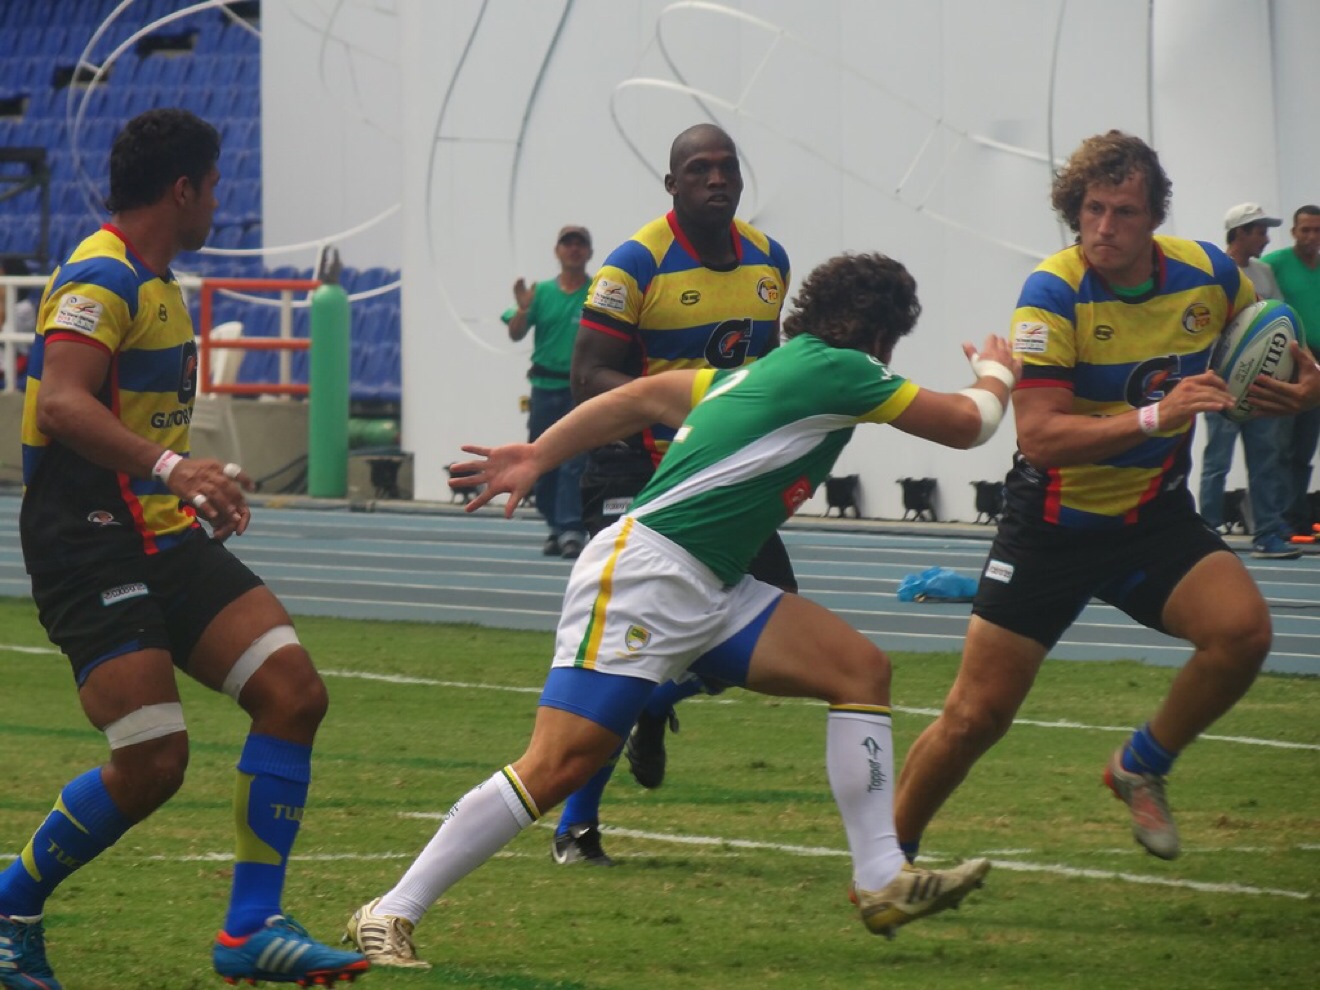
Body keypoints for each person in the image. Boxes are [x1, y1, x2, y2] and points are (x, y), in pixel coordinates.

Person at [345, 250, 1018, 968]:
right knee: (560, 762)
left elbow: (637, 399)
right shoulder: (841, 369)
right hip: (647, 576)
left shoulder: (758, 372)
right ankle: (389, 912)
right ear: (884, 336)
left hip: (714, 586)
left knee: (859, 670)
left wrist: (540, 453)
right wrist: (999, 371)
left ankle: (882, 878)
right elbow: (968, 424)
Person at [1, 109, 367, 988]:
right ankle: (10, 903)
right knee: (154, 759)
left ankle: (250, 928)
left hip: (159, 534)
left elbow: (135, 424)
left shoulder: (158, 283)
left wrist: (189, 488)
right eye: (214, 186)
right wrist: (173, 465)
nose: (219, 202)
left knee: (293, 693)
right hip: (85, 544)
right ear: (182, 189)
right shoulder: (100, 274)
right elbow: (61, 404)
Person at [894, 131, 1273, 869]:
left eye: (1124, 212)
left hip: (1151, 517)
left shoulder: (1210, 275)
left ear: (1154, 215)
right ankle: (887, 859)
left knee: (1243, 633)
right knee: (976, 717)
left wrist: (1297, 384)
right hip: (1054, 525)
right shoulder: (1054, 290)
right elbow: (1038, 436)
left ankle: (1140, 762)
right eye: (1092, 209)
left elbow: (1259, 348)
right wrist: (1154, 418)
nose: (1104, 228)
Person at [549, 122, 797, 866]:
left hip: (732, 481)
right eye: (699, 169)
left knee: (781, 623)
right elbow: (587, 375)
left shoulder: (769, 261)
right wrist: (682, 407)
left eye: (726, 168)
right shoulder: (632, 266)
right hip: (641, 476)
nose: (716, 179)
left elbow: (770, 363)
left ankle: (661, 701)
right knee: (624, 656)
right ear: (672, 185)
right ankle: (576, 826)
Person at [1197, 203, 1299, 558]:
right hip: (1219, 386)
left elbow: (1280, 323)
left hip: (1261, 388)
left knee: (1266, 460)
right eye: (1259, 230)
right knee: (1217, 463)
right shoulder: (1214, 272)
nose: (1266, 238)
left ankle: (1268, 533)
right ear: (1239, 232)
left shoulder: (1265, 273)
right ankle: (1206, 535)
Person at [502, 225, 594, 559]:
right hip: (544, 390)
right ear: (557, 251)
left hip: (579, 390)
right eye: (567, 244)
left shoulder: (597, 292)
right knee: (541, 462)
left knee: (574, 460)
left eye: (580, 244)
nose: (574, 249)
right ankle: (555, 525)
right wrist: (524, 308)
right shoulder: (539, 293)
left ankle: (571, 528)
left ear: (588, 252)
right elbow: (515, 334)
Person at [1263, 205, 1320, 536]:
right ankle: (1278, 519)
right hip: (1288, 363)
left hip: (1317, 368)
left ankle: (1298, 517)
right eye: (1306, 230)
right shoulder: (1275, 265)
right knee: (1280, 447)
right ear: (1294, 232)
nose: (1311, 237)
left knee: (1304, 449)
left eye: (1317, 230)